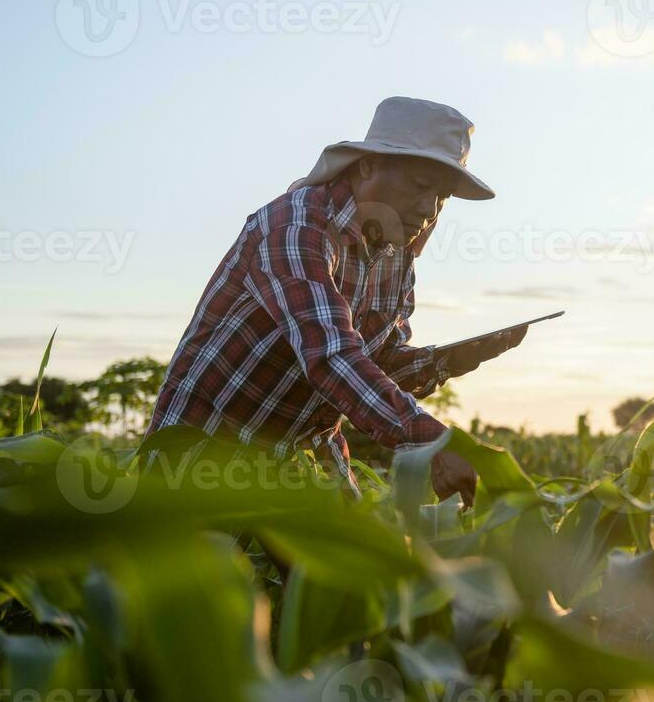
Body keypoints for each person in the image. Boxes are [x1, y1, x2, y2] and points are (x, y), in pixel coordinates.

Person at [148, 97, 523, 506]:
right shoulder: (295, 227)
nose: (430, 209)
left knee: (364, 566)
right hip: (206, 449)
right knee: (191, 568)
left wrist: (449, 360)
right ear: (367, 166)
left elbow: (373, 363)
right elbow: (332, 357)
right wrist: (431, 440)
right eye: (420, 186)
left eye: (443, 197)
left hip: (302, 453)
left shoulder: (398, 257)